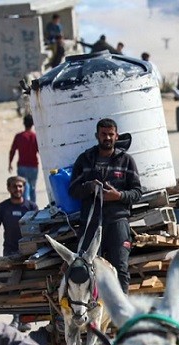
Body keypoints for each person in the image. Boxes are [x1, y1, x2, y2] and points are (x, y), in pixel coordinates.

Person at [68, 118, 143, 292]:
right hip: (91, 223)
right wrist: (89, 188)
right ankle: (94, 311)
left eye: (111, 134)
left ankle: (121, 313)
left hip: (118, 222)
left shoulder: (126, 161)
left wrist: (118, 196)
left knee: (120, 268)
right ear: (97, 136)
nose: (107, 138)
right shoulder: (85, 159)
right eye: (104, 134)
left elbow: (137, 193)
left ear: (116, 136)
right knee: (89, 268)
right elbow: (72, 190)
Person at [0, 176, 37, 261]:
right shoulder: (2, 207)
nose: (18, 189)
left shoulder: (32, 207)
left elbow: (37, 229)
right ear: (8, 188)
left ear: (24, 188)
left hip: (29, 250)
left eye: (20, 186)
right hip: (9, 251)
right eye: (14, 186)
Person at [7, 114, 40, 205]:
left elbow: (12, 150)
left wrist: (10, 163)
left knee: (23, 188)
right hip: (33, 166)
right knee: (32, 188)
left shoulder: (19, 136)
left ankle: (25, 207)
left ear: (24, 123)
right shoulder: (35, 137)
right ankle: (33, 207)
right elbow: (40, 151)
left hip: (22, 166)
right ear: (32, 124)